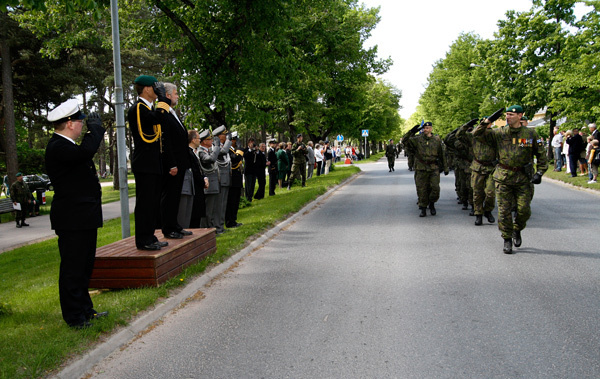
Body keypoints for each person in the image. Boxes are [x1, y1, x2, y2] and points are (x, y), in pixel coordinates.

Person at [45, 99, 107, 329]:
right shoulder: (58, 147)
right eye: (81, 122)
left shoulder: (67, 146)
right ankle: (74, 317)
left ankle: (85, 310)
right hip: (72, 218)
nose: (83, 126)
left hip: (83, 217)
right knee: (73, 268)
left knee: (84, 266)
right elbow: (86, 152)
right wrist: (97, 130)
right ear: (70, 124)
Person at [473, 105, 548, 254]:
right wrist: (487, 121)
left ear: (520, 116)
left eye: (511, 115)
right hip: (503, 177)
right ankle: (507, 238)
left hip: (523, 178)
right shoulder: (499, 133)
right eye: (506, 114)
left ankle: (517, 229)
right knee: (503, 211)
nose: (508, 117)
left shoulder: (531, 133)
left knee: (524, 210)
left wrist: (540, 172)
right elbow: (476, 134)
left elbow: (541, 154)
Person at [127, 75, 171, 251]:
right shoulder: (138, 108)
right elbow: (153, 125)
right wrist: (163, 100)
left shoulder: (149, 108)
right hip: (145, 162)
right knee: (145, 203)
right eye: (155, 88)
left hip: (153, 162)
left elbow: (159, 119)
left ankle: (150, 236)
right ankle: (143, 239)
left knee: (153, 203)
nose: (158, 91)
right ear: (146, 89)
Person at [160, 83, 192, 239]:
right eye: (175, 93)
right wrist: (171, 163)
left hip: (180, 163)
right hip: (172, 164)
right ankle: (168, 227)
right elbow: (167, 141)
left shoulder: (172, 112)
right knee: (170, 196)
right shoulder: (164, 113)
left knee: (176, 196)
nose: (177, 96)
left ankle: (175, 225)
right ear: (167, 95)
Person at [402, 122, 448, 217]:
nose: (426, 130)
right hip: (421, 167)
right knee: (421, 189)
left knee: (435, 188)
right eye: (424, 128)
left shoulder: (436, 140)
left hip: (433, 167)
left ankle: (431, 203)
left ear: (431, 129)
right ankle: (423, 208)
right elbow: (404, 141)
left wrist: (445, 167)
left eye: (428, 128)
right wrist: (411, 132)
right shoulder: (417, 140)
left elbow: (441, 154)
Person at [457, 119, 496, 225]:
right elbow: (459, 135)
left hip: (491, 168)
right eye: (484, 123)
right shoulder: (473, 136)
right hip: (477, 167)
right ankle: (478, 214)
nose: (486, 125)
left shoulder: (495, 135)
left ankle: (487, 211)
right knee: (477, 193)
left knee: (490, 193)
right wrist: (467, 125)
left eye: (488, 123)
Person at [178, 130, 207, 229]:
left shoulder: (193, 152)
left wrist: (204, 178)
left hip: (197, 187)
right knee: (192, 219)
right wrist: (203, 181)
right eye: (199, 139)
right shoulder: (188, 153)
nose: (200, 141)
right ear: (193, 140)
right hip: (194, 188)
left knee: (196, 218)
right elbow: (194, 172)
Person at [198, 129, 222, 233]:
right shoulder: (201, 152)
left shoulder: (207, 151)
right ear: (203, 141)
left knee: (213, 209)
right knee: (207, 211)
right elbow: (211, 159)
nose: (212, 140)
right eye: (209, 139)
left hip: (214, 184)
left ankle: (211, 229)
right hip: (209, 186)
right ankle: (206, 231)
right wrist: (217, 147)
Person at [213, 126, 232, 232]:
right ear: (219, 136)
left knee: (223, 204)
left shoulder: (222, 146)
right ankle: (217, 226)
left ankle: (221, 225)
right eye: (224, 135)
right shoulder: (215, 147)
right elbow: (223, 152)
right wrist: (229, 141)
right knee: (218, 205)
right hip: (220, 179)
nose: (225, 136)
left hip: (225, 179)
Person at [225, 133, 244, 228]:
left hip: (237, 179)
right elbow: (235, 159)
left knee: (236, 201)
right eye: (235, 140)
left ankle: (233, 220)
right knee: (231, 201)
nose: (236, 142)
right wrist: (240, 149)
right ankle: (229, 221)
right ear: (231, 140)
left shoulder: (233, 150)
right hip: (232, 180)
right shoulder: (228, 150)